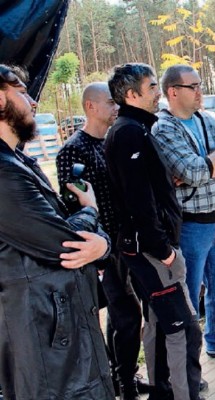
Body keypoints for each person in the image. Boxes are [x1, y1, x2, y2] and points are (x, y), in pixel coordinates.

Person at [0, 64, 115, 399]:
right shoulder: (3, 174)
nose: (32, 101)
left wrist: (101, 243)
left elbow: (78, 236)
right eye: (21, 91)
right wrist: (91, 212)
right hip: (44, 339)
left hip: (61, 326)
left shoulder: (18, 161)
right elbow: (65, 243)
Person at [104, 63, 203, 400]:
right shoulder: (128, 132)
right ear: (131, 95)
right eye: (150, 87)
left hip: (152, 246)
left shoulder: (138, 129)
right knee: (183, 329)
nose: (157, 91)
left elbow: (145, 186)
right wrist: (163, 250)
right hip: (152, 251)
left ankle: (164, 391)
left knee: (161, 324)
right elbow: (137, 201)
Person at [56, 82, 150, 399]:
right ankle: (123, 383)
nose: (116, 108)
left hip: (123, 245)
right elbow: (75, 205)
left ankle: (124, 377)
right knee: (127, 315)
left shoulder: (111, 142)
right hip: (100, 251)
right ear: (91, 107)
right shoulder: (74, 150)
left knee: (121, 317)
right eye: (110, 102)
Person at [151, 64, 215, 359]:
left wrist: (208, 165)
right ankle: (188, 362)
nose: (200, 91)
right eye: (193, 86)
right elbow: (193, 171)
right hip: (191, 226)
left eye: (200, 84)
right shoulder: (164, 128)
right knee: (189, 296)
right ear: (173, 92)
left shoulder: (208, 119)